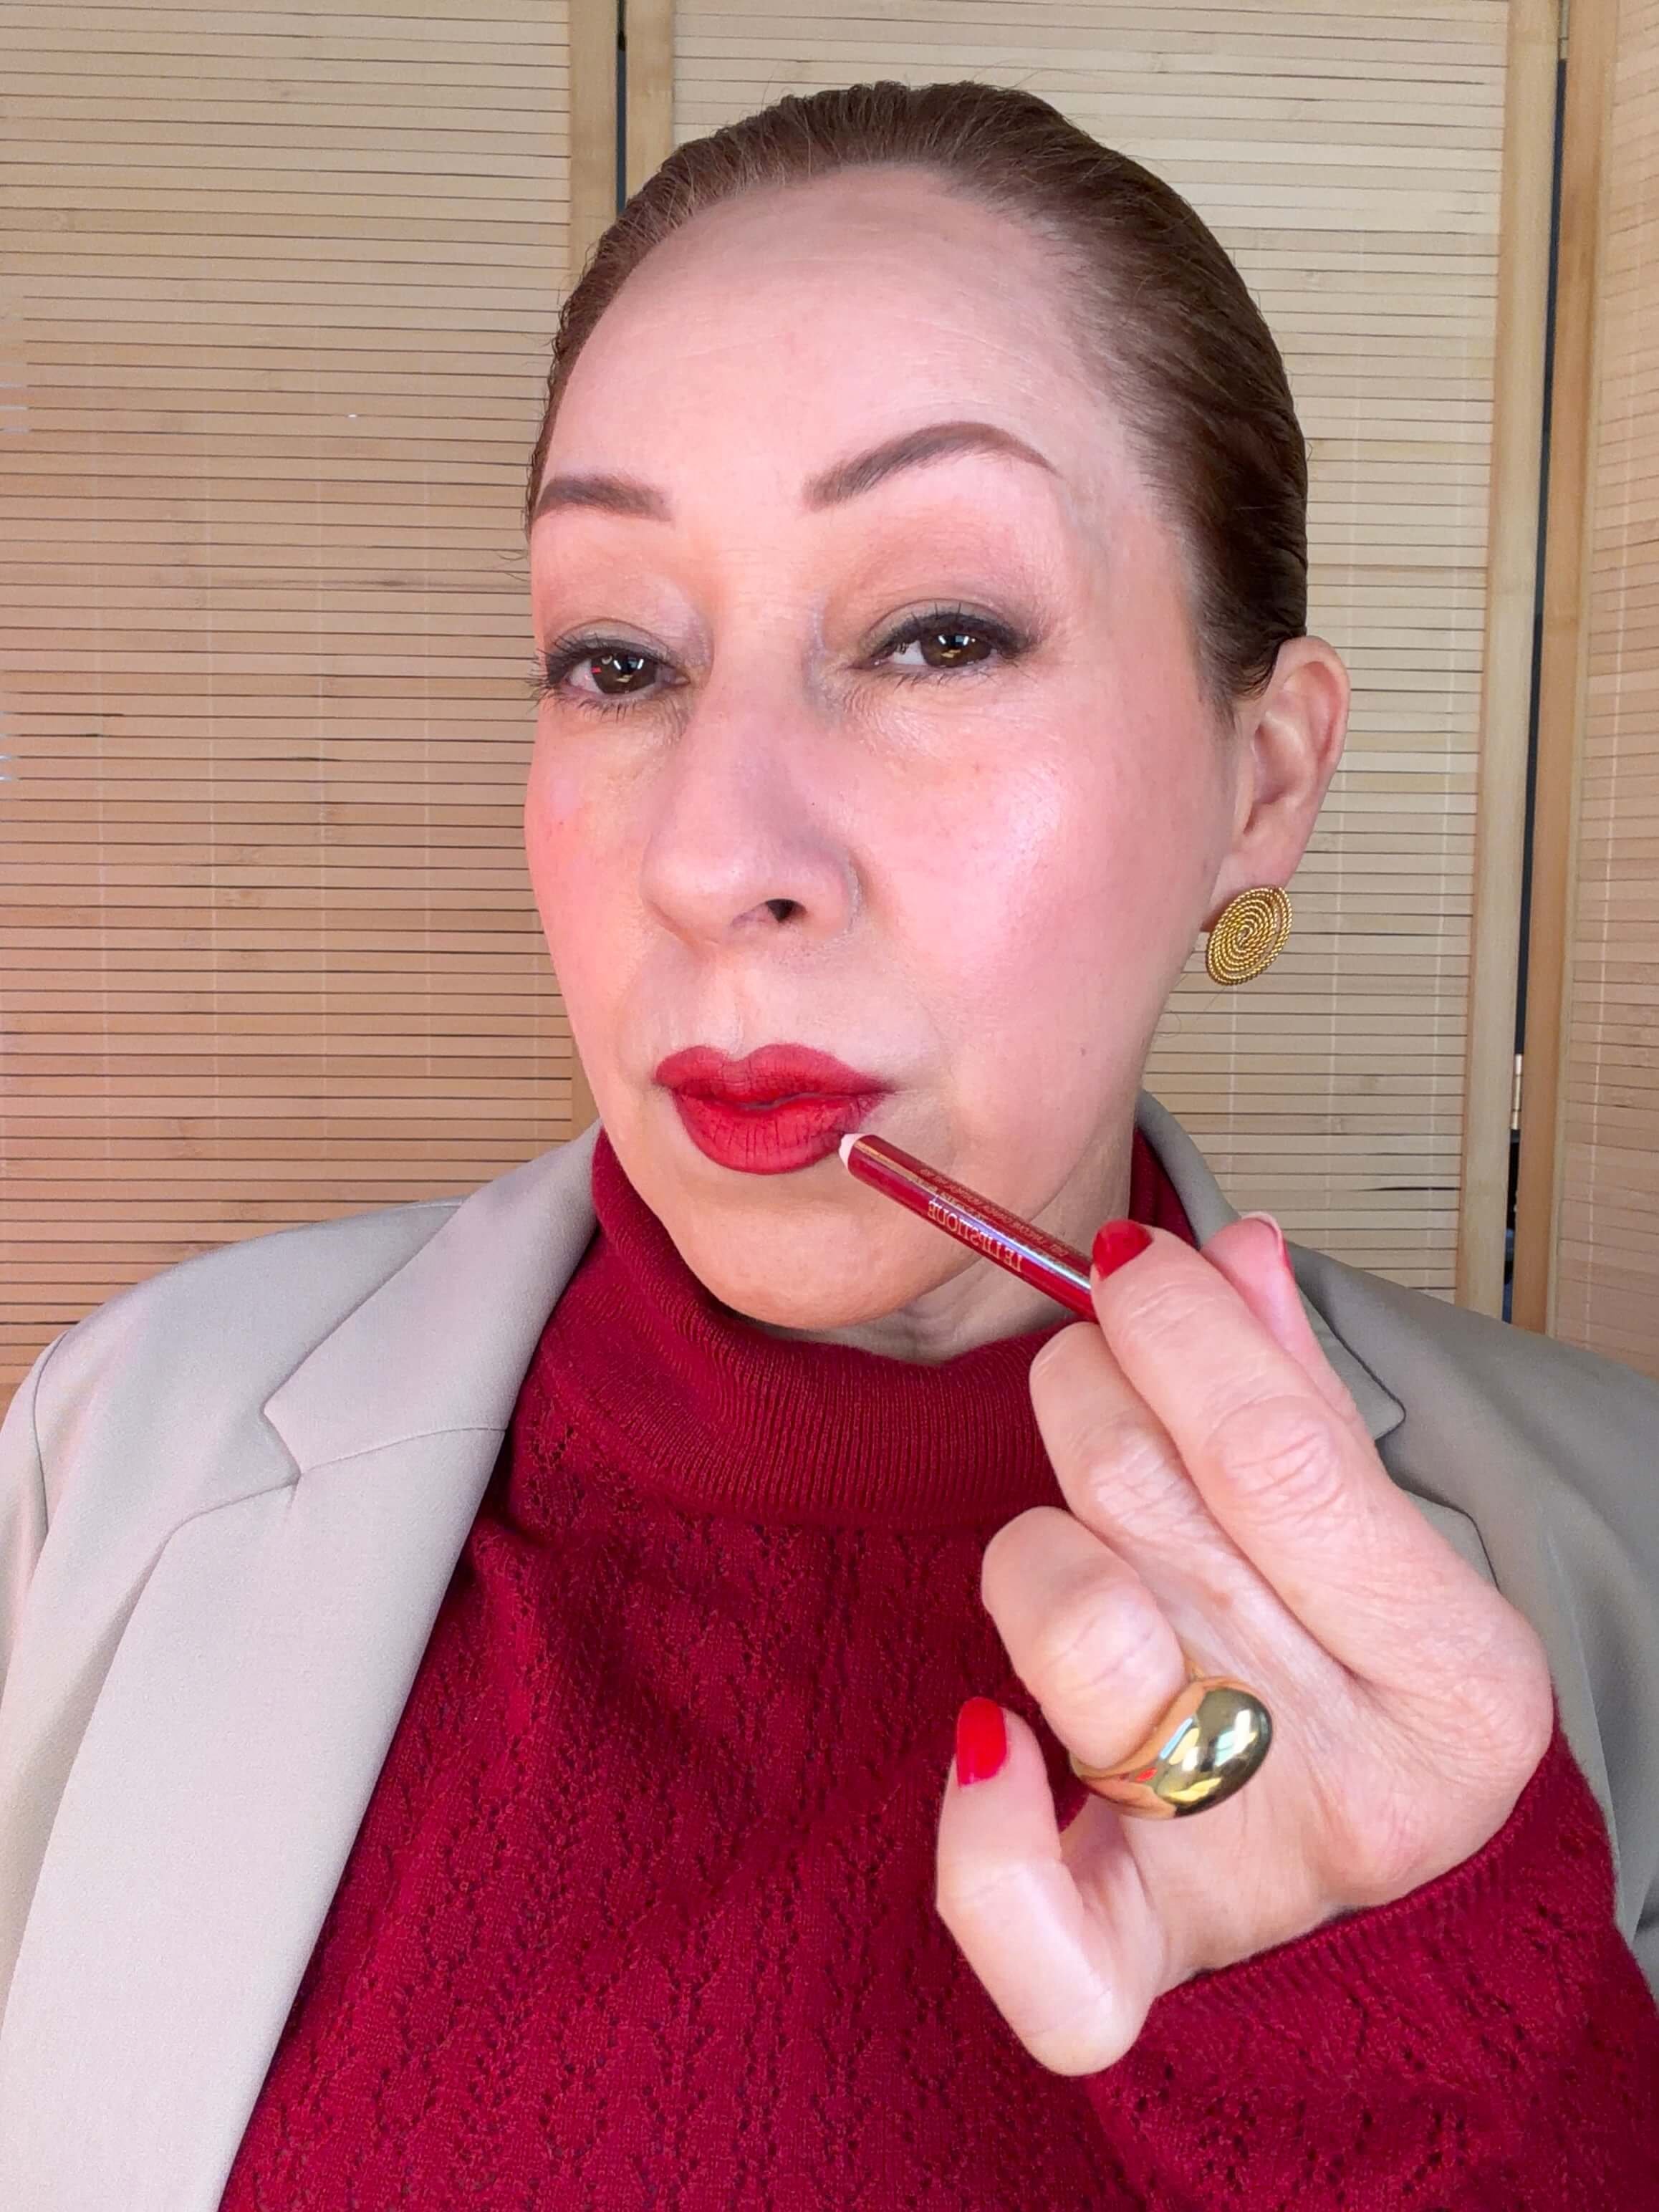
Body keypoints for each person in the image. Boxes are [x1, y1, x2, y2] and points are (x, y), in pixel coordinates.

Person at [1, 78, 1656, 2212]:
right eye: (617, 657)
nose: (712, 855)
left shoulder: (1611, 1562)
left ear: (1263, 778)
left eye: (936, 634)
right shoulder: (115, 1456)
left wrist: (1425, 2029)